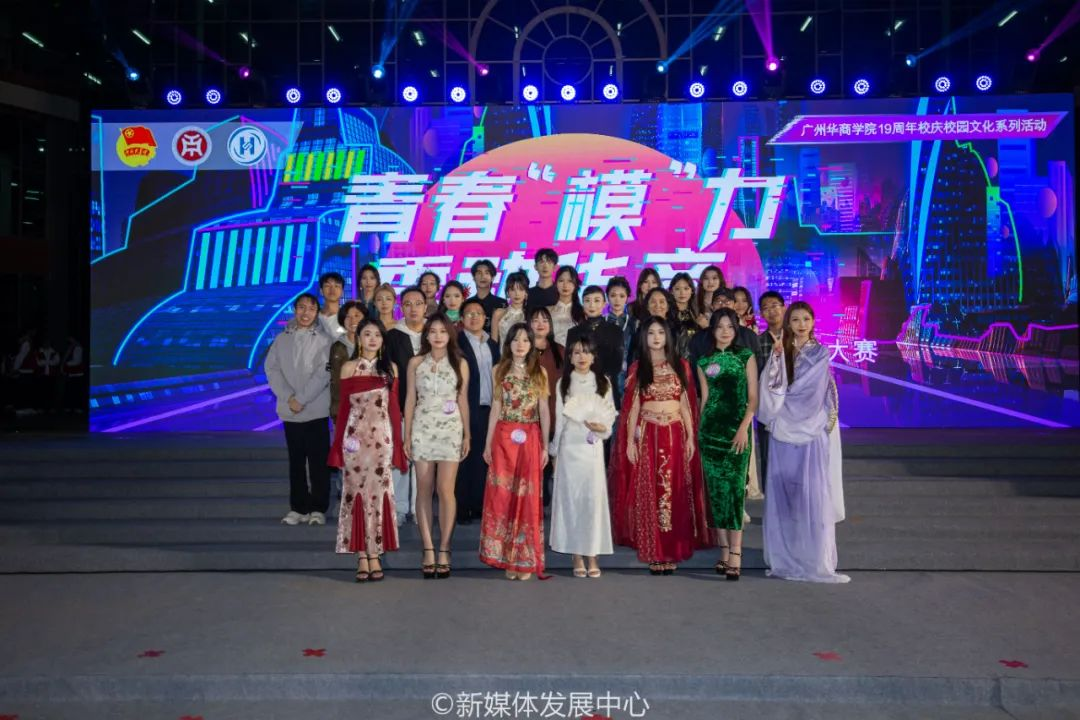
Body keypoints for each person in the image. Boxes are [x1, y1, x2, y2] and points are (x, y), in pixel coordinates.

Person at [609, 317, 711, 575]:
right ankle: (655, 550)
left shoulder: (681, 365)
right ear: (644, 338)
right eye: (651, 333)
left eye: (660, 332)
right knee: (651, 491)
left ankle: (672, 548)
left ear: (667, 336)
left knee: (675, 490)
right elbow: (632, 407)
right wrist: (630, 441)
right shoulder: (638, 367)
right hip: (649, 434)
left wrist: (690, 437)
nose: (656, 337)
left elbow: (686, 404)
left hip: (675, 432)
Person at [758, 301, 849, 584]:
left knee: (812, 494)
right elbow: (771, 387)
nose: (801, 324)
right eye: (795, 319)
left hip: (811, 430)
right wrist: (775, 360)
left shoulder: (820, 353)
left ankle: (814, 556)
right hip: (783, 431)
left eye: (806, 319)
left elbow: (813, 392)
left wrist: (788, 405)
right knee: (785, 494)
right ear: (788, 323)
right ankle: (787, 555)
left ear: (813, 322)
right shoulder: (781, 351)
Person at [328, 319, 406, 583]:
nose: (372, 339)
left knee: (379, 495)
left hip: (382, 442)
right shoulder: (349, 368)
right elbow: (342, 411)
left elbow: (394, 410)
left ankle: (376, 553)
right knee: (357, 494)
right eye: (367, 334)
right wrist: (338, 447)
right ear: (359, 338)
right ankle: (363, 555)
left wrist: (398, 446)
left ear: (383, 340)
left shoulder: (391, 369)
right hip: (355, 442)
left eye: (377, 335)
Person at [479, 322, 551, 581]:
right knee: (503, 496)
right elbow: (496, 407)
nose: (520, 344)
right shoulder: (498, 370)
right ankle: (506, 557)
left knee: (526, 497)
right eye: (515, 339)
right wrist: (487, 443)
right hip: (503, 438)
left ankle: (524, 559)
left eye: (525, 340)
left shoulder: (540, 372)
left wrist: (545, 446)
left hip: (530, 437)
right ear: (508, 343)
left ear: (532, 344)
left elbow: (544, 410)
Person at [403, 313, 470, 579]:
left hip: (450, 429)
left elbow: (463, 399)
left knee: (445, 489)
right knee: (424, 488)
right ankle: (428, 548)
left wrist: (467, 435)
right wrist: (407, 435)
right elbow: (410, 399)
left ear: (450, 334)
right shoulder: (415, 362)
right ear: (426, 335)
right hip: (422, 428)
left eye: (443, 331)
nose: (438, 336)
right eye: (433, 331)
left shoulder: (460, 363)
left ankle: (445, 548)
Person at [696, 309, 758, 581]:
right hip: (710, 434)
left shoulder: (745, 356)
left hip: (737, 433)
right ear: (712, 330)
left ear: (736, 330)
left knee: (733, 493)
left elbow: (753, 398)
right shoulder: (703, 361)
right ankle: (723, 551)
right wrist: (699, 431)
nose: (724, 331)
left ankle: (736, 553)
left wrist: (744, 427)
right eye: (719, 326)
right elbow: (705, 399)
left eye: (729, 326)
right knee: (715, 494)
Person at [550, 336, 616, 578]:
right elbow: (559, 420)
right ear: (570, 357)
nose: (581, 357)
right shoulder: (563, 383)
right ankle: (576, 554)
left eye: (586, 352)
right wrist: (555, 451)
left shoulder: (604, 382)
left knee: (592, 501)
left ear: (593, 356)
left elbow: (609, 416)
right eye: (576, 352)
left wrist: (602, 429)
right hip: (570, 447)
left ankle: (592, 554)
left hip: (592, 446)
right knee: (572, 500)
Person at [265, 293, 332, 526]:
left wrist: (301, 399)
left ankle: (318, 508)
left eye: (311, 309)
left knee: (318, 462)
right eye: (301, 308)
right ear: (294, 310)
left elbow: (324, 373)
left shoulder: (325, 340)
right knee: (296, 462)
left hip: (316, 409)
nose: (306, 313)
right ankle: (298, 508)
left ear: (317, 312)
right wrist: (289, 398)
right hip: (290, 411)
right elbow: (271, 369)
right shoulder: (281, 338)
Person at [384, 286, 428, 525]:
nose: (413, 309)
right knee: (400, 459)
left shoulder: (435, 331)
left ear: (426, 306)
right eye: (408, 304)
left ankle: (418, 508)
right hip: (401, 408)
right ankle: (400, 508)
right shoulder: (392, 336)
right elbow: (388, 374)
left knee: (423, 461)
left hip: (430, 410)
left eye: (418, 303)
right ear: (401, 307)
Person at [457, 297, 500, 525]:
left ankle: (479, 505)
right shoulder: (457, 342)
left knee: (484, 457)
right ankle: (462, 507)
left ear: (485, 318)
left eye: (478, 313)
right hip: (465, 406)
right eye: (469, 313)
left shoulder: (492, 344)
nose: (474, 317)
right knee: (465, 457)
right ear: (462, 319)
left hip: (489, 408)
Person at [528, 306, 562, 507]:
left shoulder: (560, 351)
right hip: (527, 416)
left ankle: (544, 498)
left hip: (553, 413)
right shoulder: (521, 348)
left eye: (545, 320)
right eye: (535, 320)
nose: (540, 324)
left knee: (548, 458)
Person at [566, 285, 624, 392]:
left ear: (604, 304)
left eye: (597, 301)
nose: (592, 305)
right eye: (587, 301)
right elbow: (569, 364)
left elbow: (617, 365)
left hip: (607, 387)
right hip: (580, 387)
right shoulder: (573, 332)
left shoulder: (615, 331)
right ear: (582, 304)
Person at [755, 291, 786, 491]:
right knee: (768, 454)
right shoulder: (758, 342)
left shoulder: (797, 337)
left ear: (784, 307)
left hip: (792, 407)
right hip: (767, 408)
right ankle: (770, 498)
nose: (771, 311)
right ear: (761, 314)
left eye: (775, 305)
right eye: (765, 308)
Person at [603, 276, 636, 410]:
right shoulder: (601, 322)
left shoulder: (634, 324)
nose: (617, 300)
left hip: (628, 377)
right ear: (607, 297)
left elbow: (637, 353)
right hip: (605, 378)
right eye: (613, 295)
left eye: (622, 296)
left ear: (627, 298)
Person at [329, 301, 366, 419]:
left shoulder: (373, 344)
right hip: (342, 409)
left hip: (368, 410)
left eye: (357, 315)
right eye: (348, 317)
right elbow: (333, 379)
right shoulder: (336, 346)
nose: (352, 320)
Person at [550, 265, 586, 346]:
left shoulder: (583, 312)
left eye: (570, 281)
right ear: (555, 284)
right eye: (561, 281)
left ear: (576, 284)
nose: (565, 285)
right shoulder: (548, 310)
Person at [471, 259, 507, 334]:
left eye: (487, 273)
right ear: (474, 277)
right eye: (479, 273)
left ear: (492, 277)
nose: (483, 276)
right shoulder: (468, 304)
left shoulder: (501, 303)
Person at [492, 271, 528, 345]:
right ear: (508, 292)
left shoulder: (530, 314)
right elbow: (494, 342)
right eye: (513, 289)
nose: (517, 294)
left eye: (521, 289)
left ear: (526, 293)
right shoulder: (498, 313)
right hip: (503, 352)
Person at [669, 273, 700, 356]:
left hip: (693, 358)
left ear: (692, 291)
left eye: (686, 288)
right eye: (677, 289)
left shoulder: (697, 314)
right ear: (671, 291)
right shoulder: (666, 313)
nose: (682, 293)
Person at [317, 271, 347, 341]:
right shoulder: (313, 317)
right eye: (327, 286)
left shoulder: (347, 317)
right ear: (321, 291)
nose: (332, 289)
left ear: (342, 292)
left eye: (336, 286)